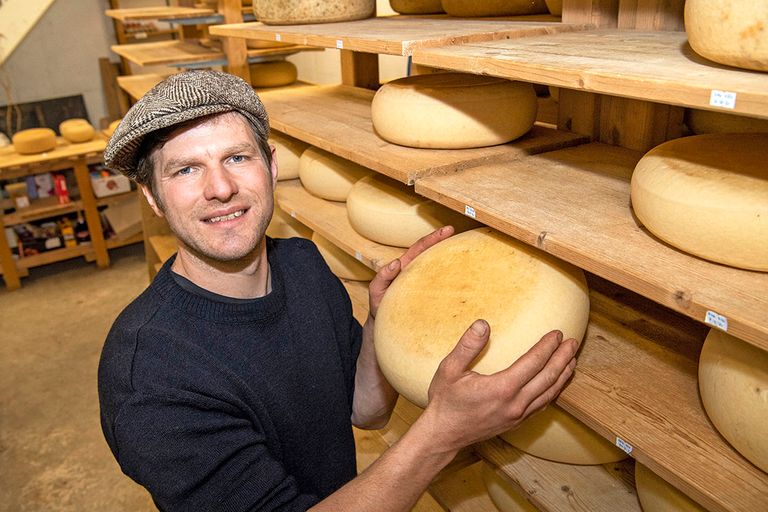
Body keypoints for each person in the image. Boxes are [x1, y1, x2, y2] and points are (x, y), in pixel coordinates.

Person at [98, 70, 579, 511]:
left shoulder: (302, 265)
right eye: (185, 170)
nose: (220, 187)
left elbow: (364, 410)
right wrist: (442, 434)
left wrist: (380, 323)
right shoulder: (151, 375)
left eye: (237, 157)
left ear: (269, 164)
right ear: (152, 197)